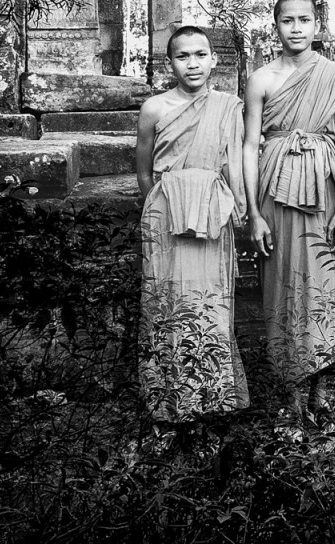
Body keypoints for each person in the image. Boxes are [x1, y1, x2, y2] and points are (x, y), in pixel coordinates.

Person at [243, 0, 335, 416]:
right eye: (287, 20)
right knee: (282, 283)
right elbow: (248, 145)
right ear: (274, 26)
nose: (296, 28)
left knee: (324, 283)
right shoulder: (261, 79)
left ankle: (321, 388)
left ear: (317, 26)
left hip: (324, 190)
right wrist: (253, 213)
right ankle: (290, 389)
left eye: (304, 20)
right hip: (275, 189)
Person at [136, 25, 249, 424]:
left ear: (213, 59)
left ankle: (213, 397)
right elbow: (145, 171)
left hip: (212, 211)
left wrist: (238, 207)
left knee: (210, 301)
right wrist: (162, 205)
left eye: (200, 54)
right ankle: (169, 402)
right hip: (167, 212)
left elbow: (234, 163)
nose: (193, 64)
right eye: (183, 56)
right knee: (167, 301)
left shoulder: (228, 105)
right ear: (170, 63)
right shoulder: (155, 108)